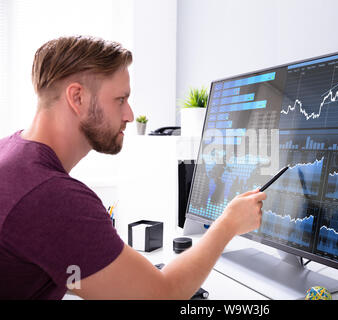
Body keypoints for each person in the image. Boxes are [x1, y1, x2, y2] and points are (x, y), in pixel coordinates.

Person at [0, 35, 266, 299]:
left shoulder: (9, 152)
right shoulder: (51, 196)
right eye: (120, 100)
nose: (129, 115)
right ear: (77, 98)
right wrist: (228, 224)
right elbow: (163, 296)